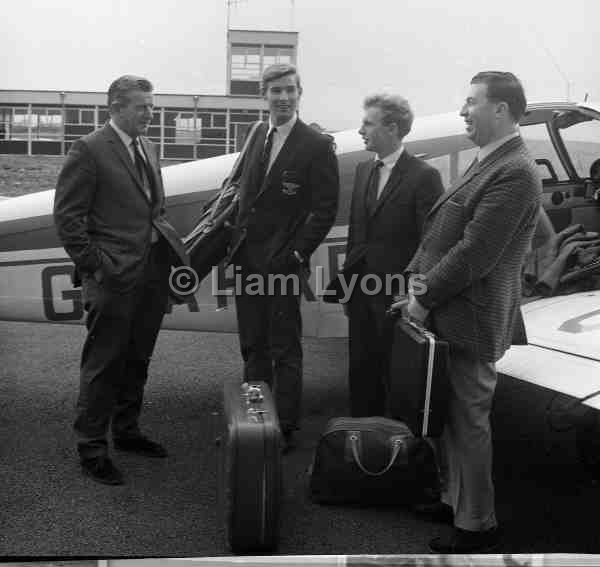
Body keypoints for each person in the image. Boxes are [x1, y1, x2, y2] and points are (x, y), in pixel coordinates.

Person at [395, 71, 542, 553]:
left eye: (470, 101)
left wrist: (422, 297)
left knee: (469, 421)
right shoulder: (492, 160)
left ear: (500, 109)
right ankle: (454, 498)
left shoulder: (515, 170)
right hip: (451, 309)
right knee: (450, 418)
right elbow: (448, 233)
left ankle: (477, 525)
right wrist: (420, 286)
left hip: (470, 317)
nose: (462, 110)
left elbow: (474, 253)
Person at [54, 75, 188, 485]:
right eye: (142, 106)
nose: (150, 113)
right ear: (116, 107)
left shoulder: (147, 146)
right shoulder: (89, 149)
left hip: (149, 272)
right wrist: (95, 264)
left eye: (151, 105)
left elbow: (154, 209)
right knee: (104, 362)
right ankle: (92, 448)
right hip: (112, 276)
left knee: (137, 358)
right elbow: (67, 216)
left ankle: (127, 431)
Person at [227, 63, 340, 450]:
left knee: (284, 347)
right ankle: (255, 424)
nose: (283, 98)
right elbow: (244, 194)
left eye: (290, 90)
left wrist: (296, 253)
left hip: (282, 263)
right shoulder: (257, 134)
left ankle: (286, 426)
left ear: (299, 94)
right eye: (276, 91)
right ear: (265, 96)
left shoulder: (316, 144)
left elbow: (326, 209)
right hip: (247, 259)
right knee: (253, 346)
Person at [338, 94, 444, 417]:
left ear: (393, 128)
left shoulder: (424, 177)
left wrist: (416, 296)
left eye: (368, 123)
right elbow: (357, 235)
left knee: (396, 379)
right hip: (360, 294)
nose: (361, 130)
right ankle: (360, 443)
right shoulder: (362, 171)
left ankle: (395, 453)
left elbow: (432, 243)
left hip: (397, 298)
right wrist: (346, 289)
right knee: (360, 373)